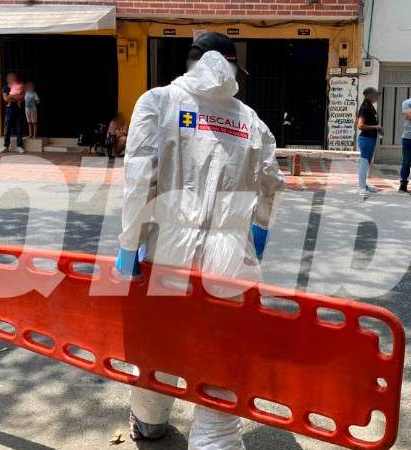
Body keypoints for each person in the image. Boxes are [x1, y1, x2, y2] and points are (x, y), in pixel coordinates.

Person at [115, 32, 283, 450]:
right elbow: (270, 183)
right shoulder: (249, 119)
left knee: (158, 341)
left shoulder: (158, 102)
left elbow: (139, 180)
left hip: (168, 248)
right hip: (232, 251)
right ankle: (217, 441)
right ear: (228, 65)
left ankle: (151, 423)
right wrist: (258, 232)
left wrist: (128, 243)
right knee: (224, 351)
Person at [356, 86, 383, 195]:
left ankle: (364, 185)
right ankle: (361, 188)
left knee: (366, 163)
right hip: (366, 139)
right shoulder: (365, 108)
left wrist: (378, 129)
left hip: (371, 139)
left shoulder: (371, 107)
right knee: (364, 162)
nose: (377, 97)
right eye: (375, 95)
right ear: (369, 96)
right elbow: (360, 125)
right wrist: (375, 127)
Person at [2, 72, 26, 152]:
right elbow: (6, 99)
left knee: (19, 128)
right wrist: (15, 97)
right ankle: (6, 146)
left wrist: (11, 96)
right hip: (9, 110)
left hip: (18, 110)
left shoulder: (19, 87)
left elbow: (22, 97)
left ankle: (19, 146)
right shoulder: (5, 88)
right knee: (7, 128)